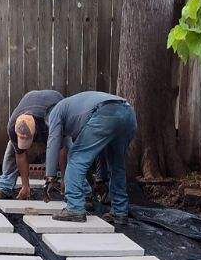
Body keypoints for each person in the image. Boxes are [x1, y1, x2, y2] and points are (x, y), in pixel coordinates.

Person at [44, 91, 137, 224]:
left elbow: (53, 142)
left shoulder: (55, 112)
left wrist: (50, 176)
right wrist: (100, 178)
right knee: (117, 164)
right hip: (128, 113)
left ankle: (75, 208)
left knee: (76, 157)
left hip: (105, 112)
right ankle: (120, 211)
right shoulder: (76, 109)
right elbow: (100, 153)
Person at [0, 88, 63, 201]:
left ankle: (80, 191)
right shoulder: (12, 127)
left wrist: (63, 179)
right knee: (12, 148)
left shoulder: (49, 123)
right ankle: (4, 188)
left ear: (35, 131)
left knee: (70, 148)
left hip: (54, 101)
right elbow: (20, 155)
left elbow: (62, 151)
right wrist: (25, 186)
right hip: (31, 98)